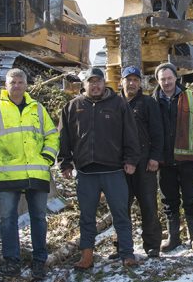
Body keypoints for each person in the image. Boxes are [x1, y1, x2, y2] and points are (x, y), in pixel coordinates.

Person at [0, 68, 58, 280]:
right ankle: (11, 261)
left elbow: (52, 136)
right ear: (5, 86)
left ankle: (39, 261)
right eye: (12, 82)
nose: (16, 85)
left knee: (39, 218)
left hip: (37, 172)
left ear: (26, 85)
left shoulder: (38, 109)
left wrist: (47, 158)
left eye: (20, 82)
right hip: (8, 174)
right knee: (8, 219)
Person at [58, 67, 141, 269]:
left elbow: (130, 134)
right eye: (90, 82)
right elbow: (63, 138)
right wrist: (65, 163)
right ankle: (87, 256)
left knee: (120, 214)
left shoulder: (118, 104)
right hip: (86, 173)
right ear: (84, 84)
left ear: (104, 83)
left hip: (114, 171)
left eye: (98, 81)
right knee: (87, 216)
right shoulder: (72, 107)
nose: (95, 85)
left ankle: (127, 254)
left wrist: (131, 160)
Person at [154, 62, 193, 253]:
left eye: (170, 78)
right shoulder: (152, 101)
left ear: (176, 79)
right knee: (169, 201)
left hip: (187, 159)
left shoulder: (192, 97)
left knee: (191, 199)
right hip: (164, 161)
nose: (167, 82)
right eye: (163, 79)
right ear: (158, 81)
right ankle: (173, 237)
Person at [118, 65, 165, 258]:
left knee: (148, 205)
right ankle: (123, 247)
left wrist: (155, 157)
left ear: (140, 83)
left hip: (145, 163)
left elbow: (158, 132)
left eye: (135, 80)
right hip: (120, 164)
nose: (131, 83)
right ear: (121, 81)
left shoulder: (148, 103)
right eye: (128, 80)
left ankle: (152, 245)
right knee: (121, 207)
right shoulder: (114, 103)